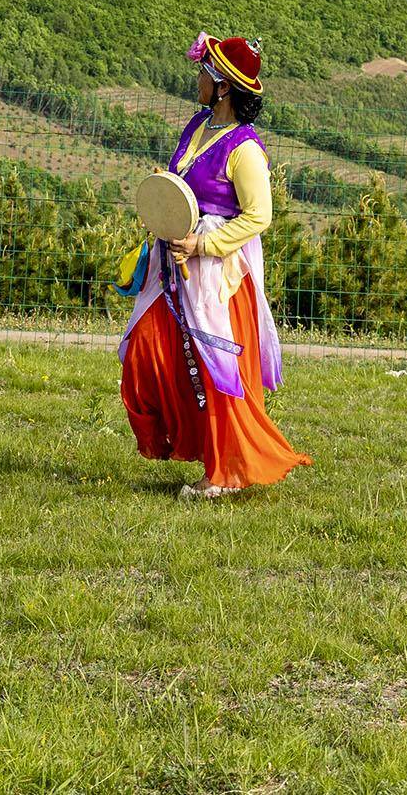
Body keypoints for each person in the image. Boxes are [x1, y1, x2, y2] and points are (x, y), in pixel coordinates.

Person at [120, 32, 310, 499]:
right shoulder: (196, 126)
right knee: (145, 350)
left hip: (215, 276)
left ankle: (223, 471)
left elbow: (259, 215)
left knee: (212, 368)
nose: (198, 79)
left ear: (223, 86)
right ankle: (184, 439)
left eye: (204, 73)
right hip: (173, 265)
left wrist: (204, 245)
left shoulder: (245, 150)